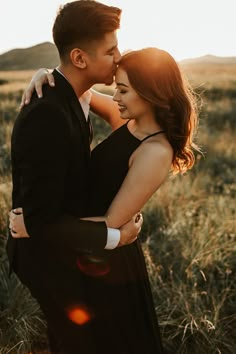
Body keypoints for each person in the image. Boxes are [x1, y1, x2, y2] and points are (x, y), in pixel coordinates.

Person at [10, 44, 200, 353]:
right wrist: (43, 75)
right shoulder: (128, 119)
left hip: (109, 263)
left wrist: (37, 227)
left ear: (151, 94)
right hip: (82, 247)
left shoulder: (156, 151)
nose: (115, 98)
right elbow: (77, 91)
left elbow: (113, 222)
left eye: (123, 90)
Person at [6, 1, 143, 353]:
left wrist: (46, 71)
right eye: (111, 51)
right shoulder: (46, 114)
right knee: (79, 342)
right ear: (80, 58)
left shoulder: (77, 94)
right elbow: (40, 222)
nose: (119, 57)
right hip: (47, 254)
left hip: (72, 243)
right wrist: (114, 236)